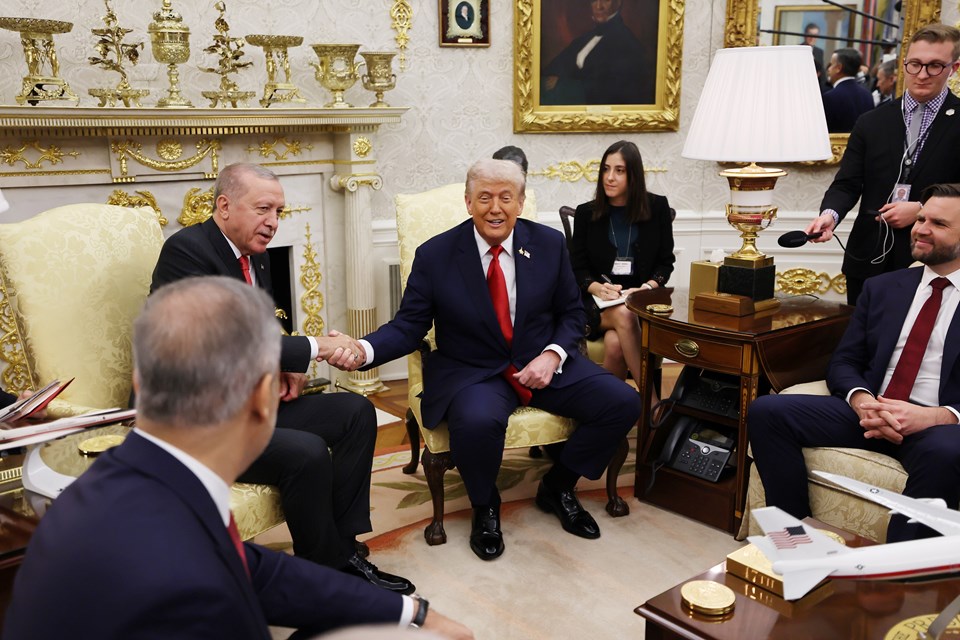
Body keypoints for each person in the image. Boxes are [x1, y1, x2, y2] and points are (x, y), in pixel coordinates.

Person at [2, 277, 472, 640]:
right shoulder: (193, 597)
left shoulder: (131, 480)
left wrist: (410, 613)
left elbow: (253, 568)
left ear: (141, 383)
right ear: (266, 399)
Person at [337, 159, 640, 561]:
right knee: (476, 422)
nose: (495, 208)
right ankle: (485, 506)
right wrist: (364, 349)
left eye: (505, 198)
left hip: (541, 362)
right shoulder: (436, 255)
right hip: (474, 369)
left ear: (520, 203)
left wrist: (552, 355)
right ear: (468, 202)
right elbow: (408, 326)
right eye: (484, 198)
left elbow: (572, 314)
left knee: (622, 402)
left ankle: (559, 485)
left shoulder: (549, 244)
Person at [151, 163, 413, 594]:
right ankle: (322, 578)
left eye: (279, 211)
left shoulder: (253, 255)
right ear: (224, 206)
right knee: (306, 452)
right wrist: (315, 347)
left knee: (355, 411)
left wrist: (284, 364)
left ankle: (342, 550)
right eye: (263, 209)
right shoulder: (187, 253)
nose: (273, 222)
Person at [749, 183, 960, 543]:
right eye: (921, 219)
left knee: (947, 453)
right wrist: (862, 400)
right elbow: (845, 360)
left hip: (935, 426)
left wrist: (938, 416)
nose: (921, 229)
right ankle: (794, 541)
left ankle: (895, 568)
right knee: (768, 411)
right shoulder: (883, 287)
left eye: (938, 224)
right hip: (870, 411)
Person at [805, 24, 960, 305]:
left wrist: (922, 209)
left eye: (935, 66)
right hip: (867, 259)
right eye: (915, 64)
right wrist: (830, 215)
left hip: (937, 262)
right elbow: (847, 184)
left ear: (954, 68)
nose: (922, 74)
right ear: (904, 64)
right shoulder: (871, 121)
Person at [568, 140, 675, 386]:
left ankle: (615, 406)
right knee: (624, 315)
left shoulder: (657, 207)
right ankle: (651, 401)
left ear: (633, 175)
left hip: (640, 303)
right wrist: (598, 288)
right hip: (596, 304)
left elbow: (665, 263)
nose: (609, 177)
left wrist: (645, 288)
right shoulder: (586, 213)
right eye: (605, 169)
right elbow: (577, 268)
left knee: (615, 345)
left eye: (619, 170)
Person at [542, 0, 654, 105]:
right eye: (594, 0)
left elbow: (610, 90)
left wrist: (562, 84)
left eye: (606, 0)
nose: (599, 6)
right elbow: (556, 66)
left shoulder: (628, 44)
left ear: (618, 2)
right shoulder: (584, 40)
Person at [821, 48, 875, 133]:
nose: (829, 69)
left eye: (831, 65)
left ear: (839, 68)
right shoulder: (867, 95)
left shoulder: (830, 97)